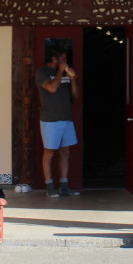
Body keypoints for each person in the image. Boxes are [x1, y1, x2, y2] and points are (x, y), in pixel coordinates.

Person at [34, 46, 80, 197]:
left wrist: (73, 79)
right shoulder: (42, 72)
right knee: (50, 151)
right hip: (50, 119)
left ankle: (64, 185)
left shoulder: (65, 73)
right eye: (63, 59)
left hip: (66, 117)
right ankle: (49, 187)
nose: (66, 62)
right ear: (54, 59)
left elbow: (76, 95)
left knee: (65, 151)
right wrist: (60, 71)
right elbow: (52, 88)